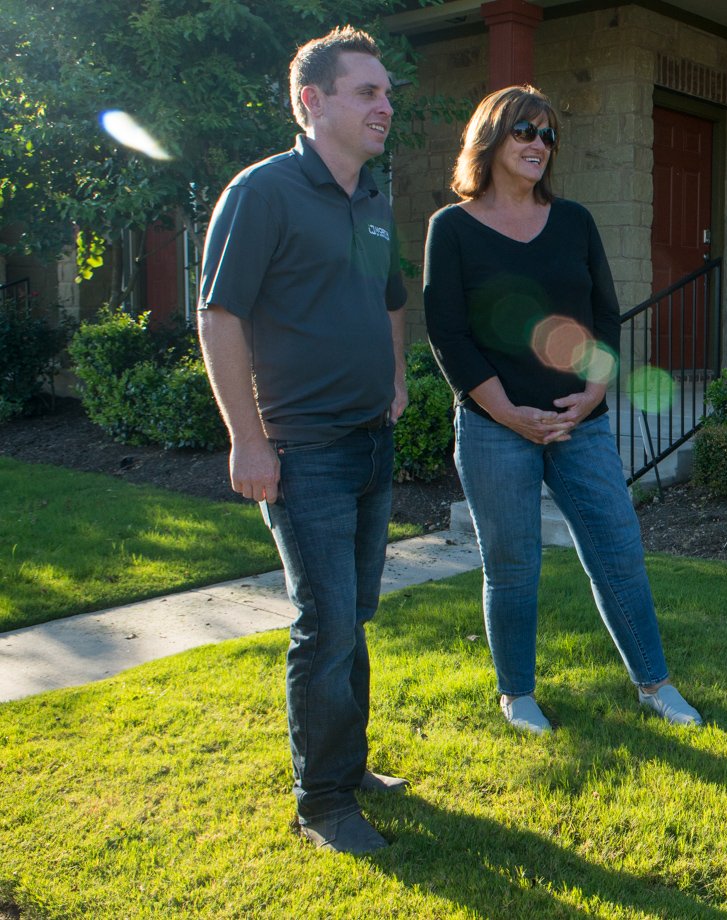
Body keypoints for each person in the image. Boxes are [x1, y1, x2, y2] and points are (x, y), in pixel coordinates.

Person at [423, 85, 702, 734]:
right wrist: (506, 411)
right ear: (491, 138)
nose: (539, 146)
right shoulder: (452, 229)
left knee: (617, 549)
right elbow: (448, 334)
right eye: (526, 131)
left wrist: (597, 390)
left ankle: (654, 683)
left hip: (581, 424)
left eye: (549, 136)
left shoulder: (574, 221)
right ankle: (516, 694)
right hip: (497, 429)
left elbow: (605, 314)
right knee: (514, 564)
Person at [198, 26, 409, 855]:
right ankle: (323, 802)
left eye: (388, 92)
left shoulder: (374, 199)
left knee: (352, 615)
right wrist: (246, 441)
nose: (386, 106)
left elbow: (391, 298)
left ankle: (346, 766)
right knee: (324, 623)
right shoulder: (264, 192)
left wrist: (393, 379)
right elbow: (219, 316)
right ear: (311, 102)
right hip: (303, 449)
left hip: (369, 442)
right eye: (368, 92)